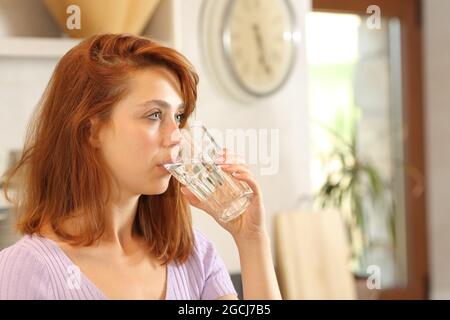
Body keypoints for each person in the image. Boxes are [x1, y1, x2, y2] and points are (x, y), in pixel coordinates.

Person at [0, 34, 281, 300]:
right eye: (154, 115)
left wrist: (251, 239)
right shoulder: (28, 269)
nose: (176, 135)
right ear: (91, 131)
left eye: (179, 116)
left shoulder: (195, 255)